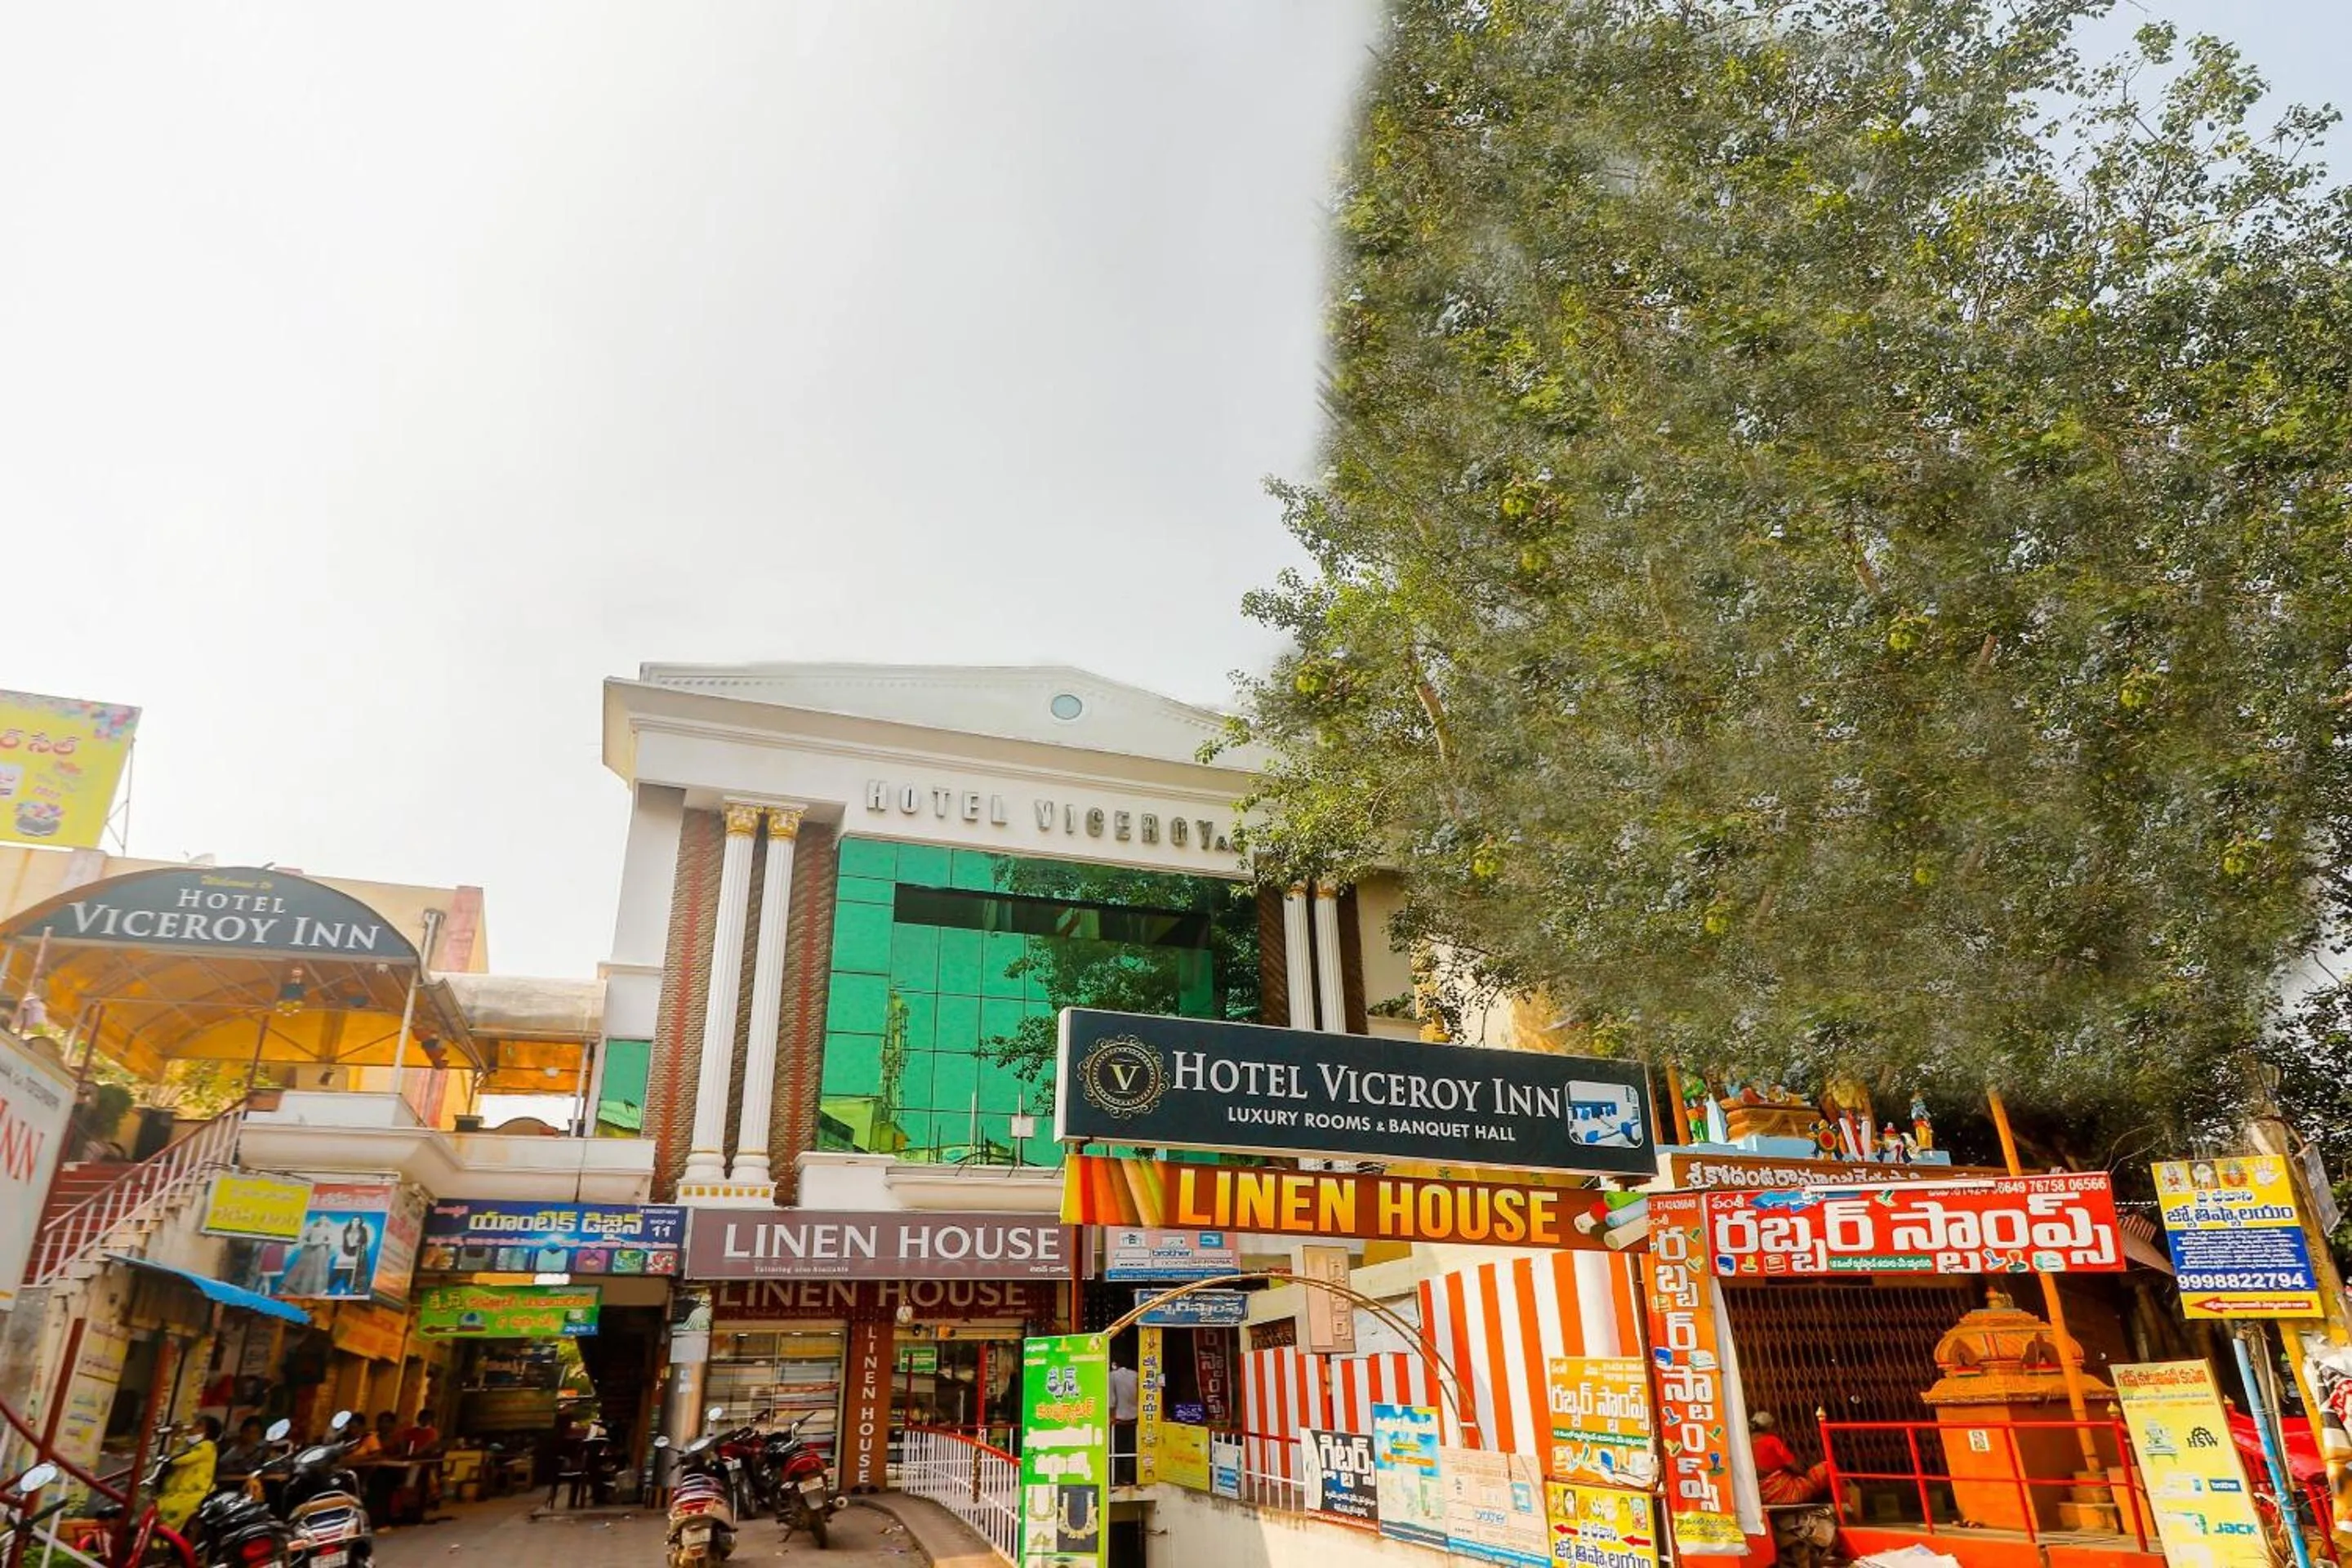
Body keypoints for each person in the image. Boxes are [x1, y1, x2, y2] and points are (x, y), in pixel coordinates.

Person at [1749, 1411, 1833, 1505]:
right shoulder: (1771, 1441)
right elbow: (1793, 1465)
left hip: (1764, 1494)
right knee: (1827, 1467)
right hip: (1785, 1492)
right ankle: (1843, 1503)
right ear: (1768, 1428)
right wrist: (1804, 1474)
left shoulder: (1747, 1445)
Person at [156, 1418, 220, 1530]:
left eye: (198, 1425)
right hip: (178, 1493)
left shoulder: (207, 1446)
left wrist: (177, 1437)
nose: (192, 1428)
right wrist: (176, 1437)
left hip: (192, 1496)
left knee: (166, 1517)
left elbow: (177, 1459)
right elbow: (174, 1456)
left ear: (207, 1432)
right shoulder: (191, 1446)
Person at [1108, 1361, 1139, 1487]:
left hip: (1118, 1420)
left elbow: (1112, 1401)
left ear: (1115, 1364)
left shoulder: (1112, 1376)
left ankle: (1117, 1477)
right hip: (1134, 1419)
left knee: (1117, 1449)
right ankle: (1129, 1477)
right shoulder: (1136, 1375)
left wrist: (1111, 1417)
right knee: (1131, 1448)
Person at [218, 1417, 271, 1481]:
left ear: (260, 1434)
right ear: (241, 1431)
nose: (251, 1435)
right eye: (247, 1431)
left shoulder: (263, 1447)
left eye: (255, 1432)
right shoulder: (230, 1447)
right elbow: (220, 1471)